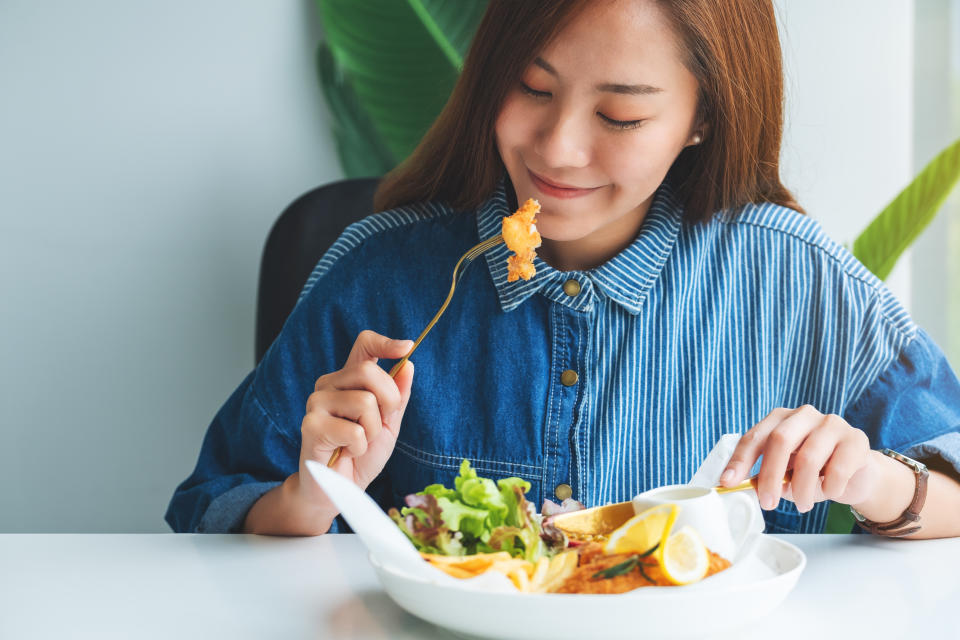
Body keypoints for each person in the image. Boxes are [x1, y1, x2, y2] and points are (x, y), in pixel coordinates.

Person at [166, 0, 960, 538]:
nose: (557, 149)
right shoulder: (379, 277)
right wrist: (311, 496)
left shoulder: (799, 283)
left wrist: (874, 483)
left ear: (703, 117)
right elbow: (206, 507)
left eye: (620, 115)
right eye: (531, 87)